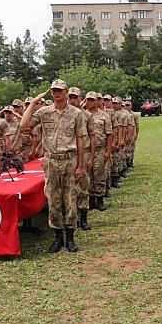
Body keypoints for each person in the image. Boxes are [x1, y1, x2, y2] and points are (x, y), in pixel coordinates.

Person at [20, 79, 87, 253]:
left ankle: (70, 238)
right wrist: (33, 103)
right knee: (53, 199)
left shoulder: (76, 113)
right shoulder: (44, 112)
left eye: (60, 90)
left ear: (66, 92)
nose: (56, 93)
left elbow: (80, 140)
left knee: (71, 199)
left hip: (69, 159)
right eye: (54, 91)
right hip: (50, 161)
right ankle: (58, 238)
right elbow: (24, 124)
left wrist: (81, 166)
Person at [67, 87, 96, 231]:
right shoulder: (64, 115)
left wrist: (91, 157)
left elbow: (92, 136)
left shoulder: (87, 115)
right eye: (70, 97)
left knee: (83, 185)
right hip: (68, 154)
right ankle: (72, 218)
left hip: (83, 154)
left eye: (75, 97)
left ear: (80, 99)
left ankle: (83, 218)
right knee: (69, 188)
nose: (72, 100)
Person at [85, 91, 112, 211]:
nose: (89, 102)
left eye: (92, 100)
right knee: (88, 176)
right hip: (86, 151)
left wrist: (108, 151)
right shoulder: (82, 115)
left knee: (99, 174)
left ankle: (100, 199)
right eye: (88, 100)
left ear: (97, 101)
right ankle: (91, 200)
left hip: (100, 149)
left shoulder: (104, 116)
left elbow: (109, 135)